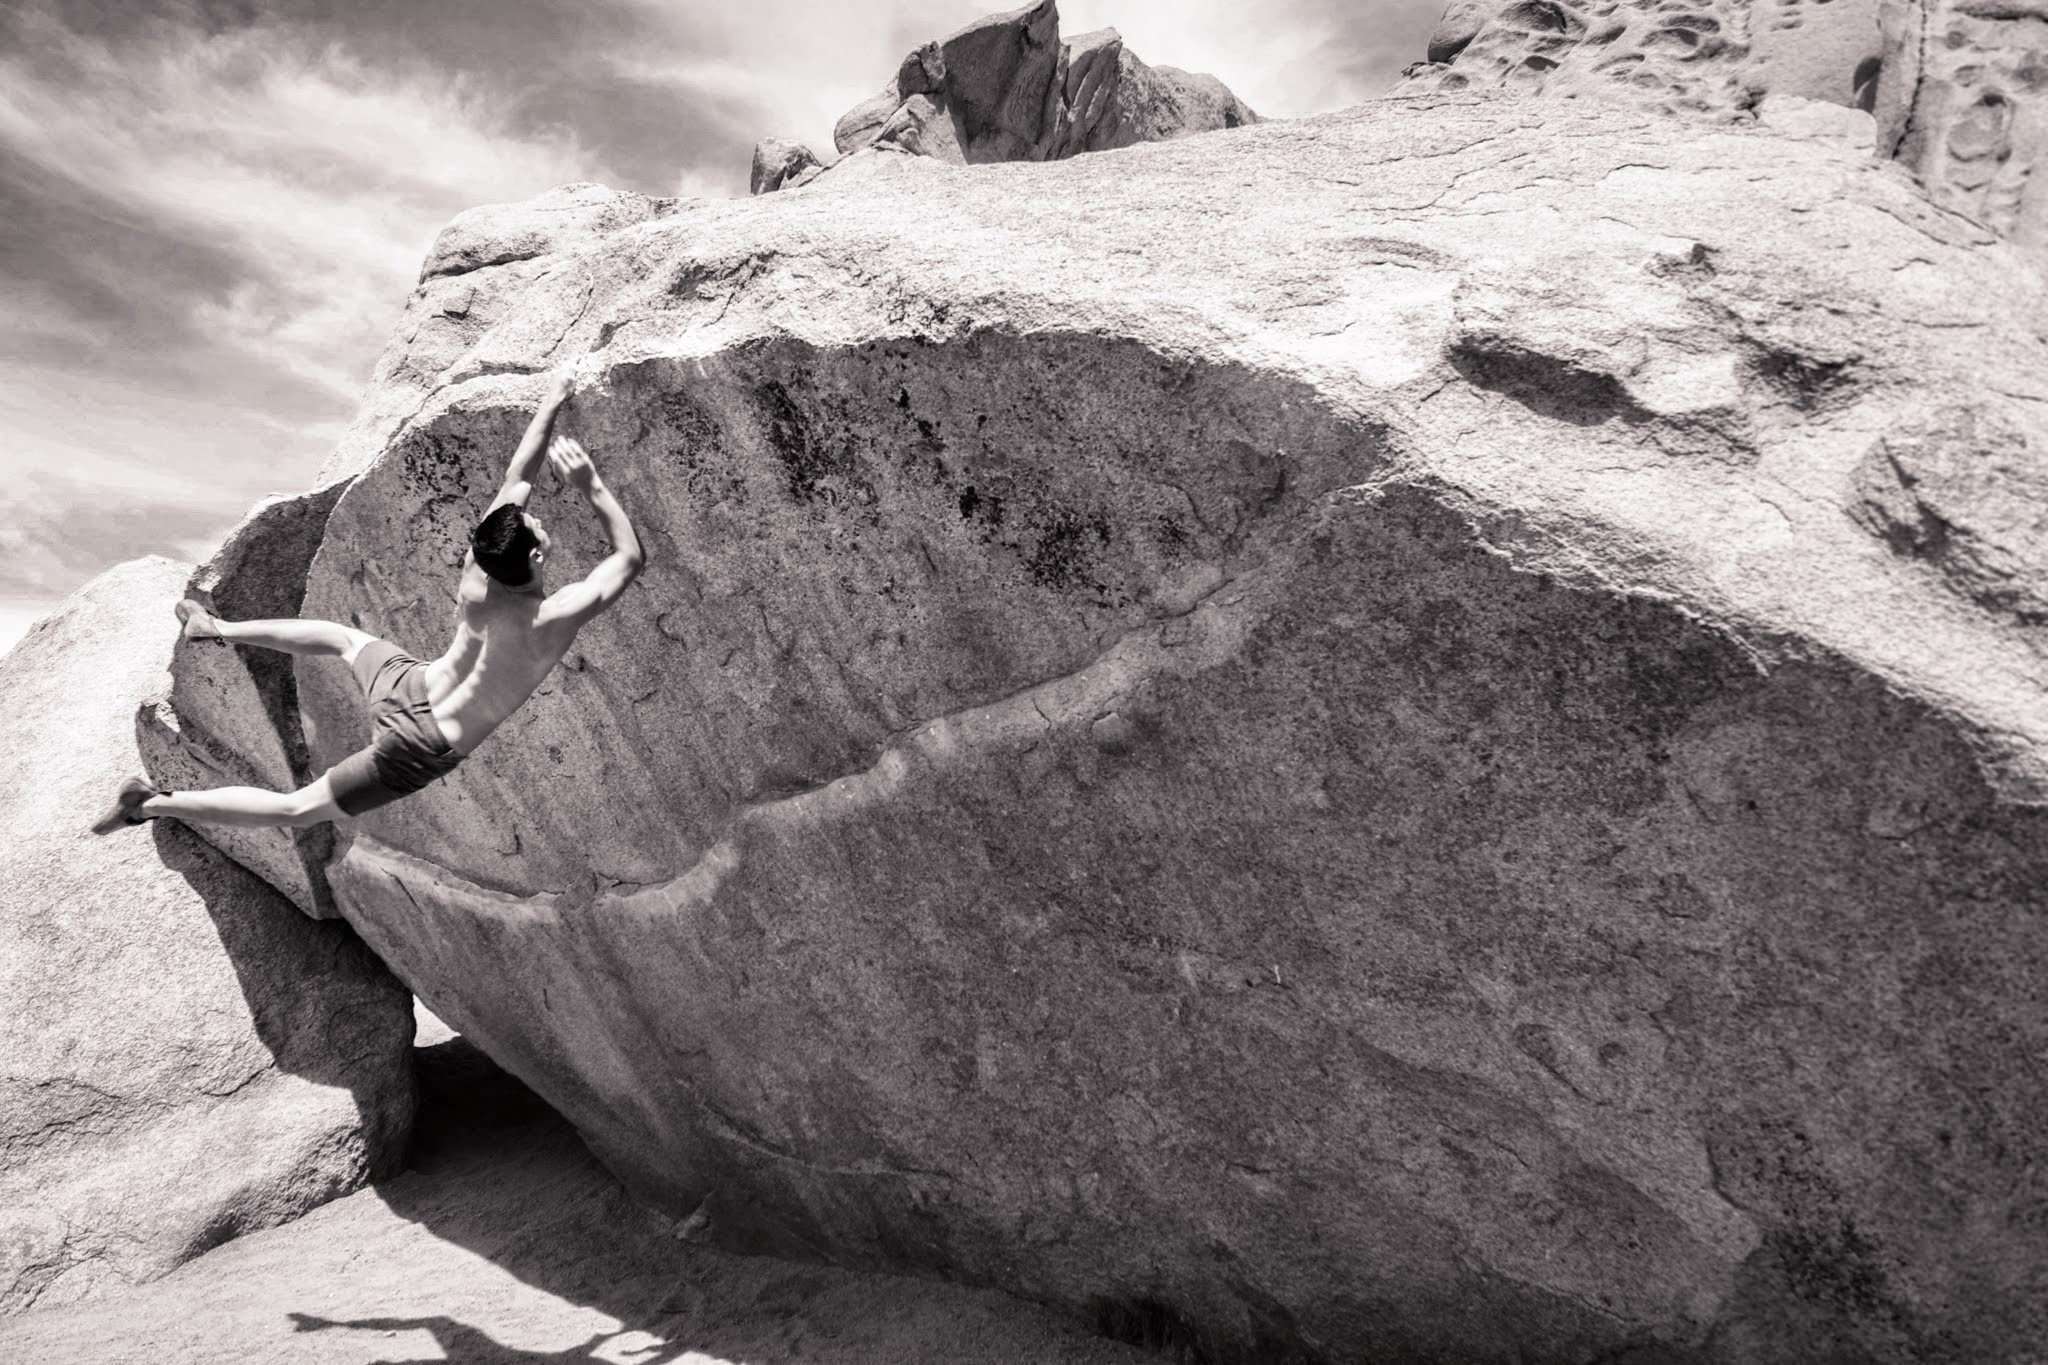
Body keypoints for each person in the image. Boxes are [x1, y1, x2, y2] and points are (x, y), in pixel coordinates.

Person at [92, 369, 644, 833]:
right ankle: (150, 804)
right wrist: (591, 484)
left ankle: (216, 629)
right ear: (538, 559)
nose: (537, 520)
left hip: (410, 682)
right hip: (425, 742)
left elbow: (518, 475)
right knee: (298, 810)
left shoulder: (478, 568)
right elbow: (628, 558)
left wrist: (552, 398)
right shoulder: (551, 618)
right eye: (537, 526)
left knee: (343, 639)